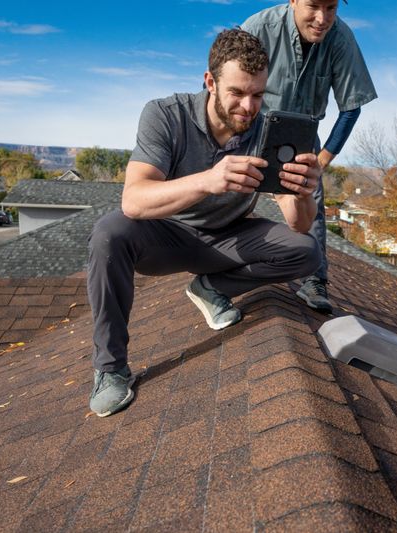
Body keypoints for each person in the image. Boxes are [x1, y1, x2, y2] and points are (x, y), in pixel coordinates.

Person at [87, 29, 322, 417]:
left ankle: (211, 288)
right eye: (237, 93)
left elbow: (299, 226)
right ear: (210, 82)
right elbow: (133, 200)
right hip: (167, 236)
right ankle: (110, 369)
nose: (249, 106)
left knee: (305, 252)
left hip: (227, 240)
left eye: (258, 95)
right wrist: (209, 180)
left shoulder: (269, 129)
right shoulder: (166, 115)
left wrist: (302, 192)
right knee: (108, 233)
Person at [242, 0, 377, 313]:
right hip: (253, 123)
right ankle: (218, 263)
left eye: (331, 8)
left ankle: (315, 279)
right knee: (234, 194)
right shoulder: (259, 28)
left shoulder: (341, 39)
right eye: (313, 6)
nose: (322, 18)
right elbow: (227, 88)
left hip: (302, 132)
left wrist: (323, 158)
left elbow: (351, 106)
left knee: (311, 198)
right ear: (292, 1)